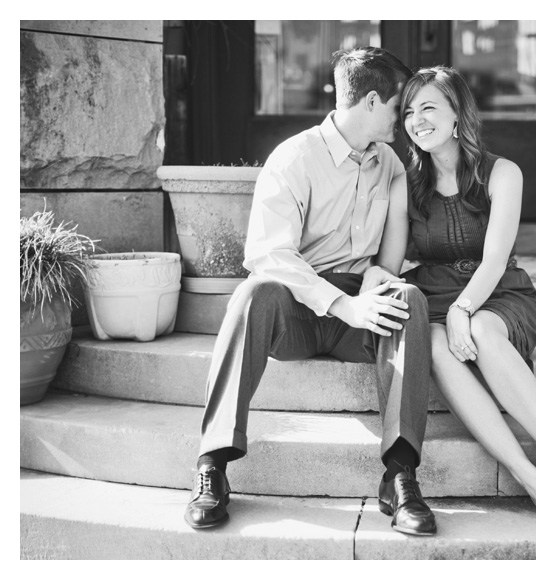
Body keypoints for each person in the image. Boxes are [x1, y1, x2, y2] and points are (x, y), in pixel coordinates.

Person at [184, 47, 437, 536]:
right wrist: (344, 304)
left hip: (356, 312)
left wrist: (375, 279)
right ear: (368, 102)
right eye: (397, 106)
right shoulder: (295, 158)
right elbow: (269, 254)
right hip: (297, 308)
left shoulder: (389, 163)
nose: (403, 118)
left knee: (410, 300)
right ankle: (212, 463)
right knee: (254, 293)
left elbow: (389, 256)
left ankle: (400, 476)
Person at [398, 66, 536, 522]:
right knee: (434, 346)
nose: (417, 120)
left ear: (458, 115)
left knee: (483, 330)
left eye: (429, 107)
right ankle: (530, 479)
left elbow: (495, 259)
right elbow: (389, 259)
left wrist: (462, 307)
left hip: (499, 292)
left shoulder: (502, 173)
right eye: (409, 112)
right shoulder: (406, 184)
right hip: (432, 293)